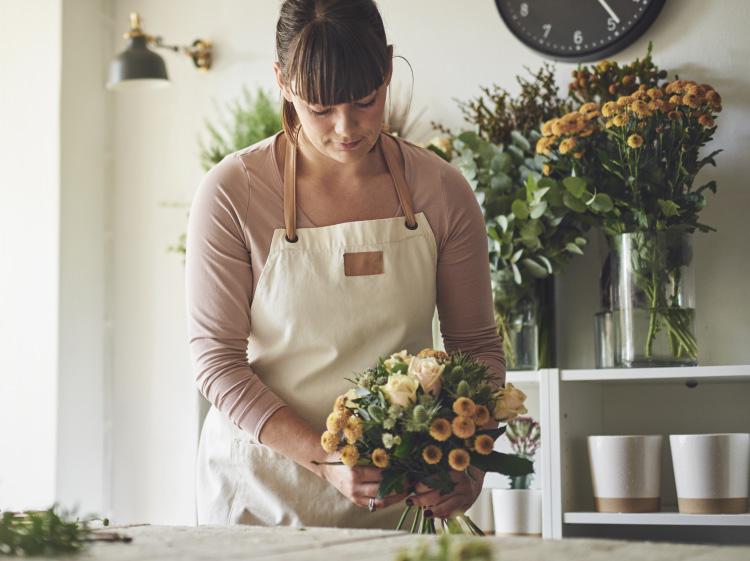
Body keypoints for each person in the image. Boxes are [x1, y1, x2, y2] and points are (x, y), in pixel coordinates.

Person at [186, 0, 504, 528]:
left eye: (366, 100)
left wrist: (472, 457)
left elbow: (476, 348)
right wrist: (323, 458)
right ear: (283, 83)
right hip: (264, 501)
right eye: (320, 108)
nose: (346, 127)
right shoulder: (233, 193)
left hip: (402, 500)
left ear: (387, 67)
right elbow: (217, 362)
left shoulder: (441, 191)